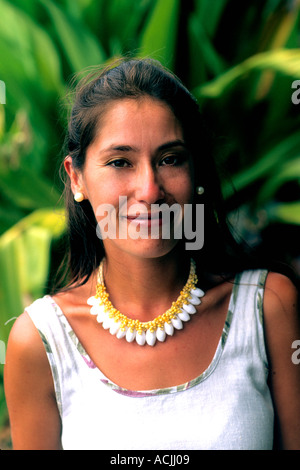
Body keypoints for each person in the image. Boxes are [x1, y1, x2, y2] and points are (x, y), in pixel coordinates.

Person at [4, 58, 300, 450]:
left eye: (170, 158)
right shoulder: (41, 342)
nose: (149, 190)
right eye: (120, 162)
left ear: (196, 171)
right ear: (77, 177)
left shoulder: (266, 308)